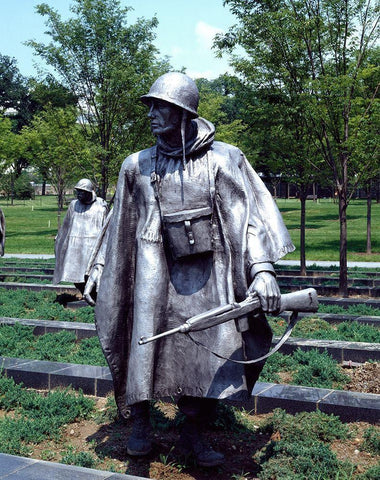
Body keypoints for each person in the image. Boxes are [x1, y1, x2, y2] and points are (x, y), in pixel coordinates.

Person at [84, 72, 294, 467]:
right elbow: (117, 222)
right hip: (151, 266)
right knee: (143, 341)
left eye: (159, 106)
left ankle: (193, 430)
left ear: (182, 112)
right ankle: (141, 422)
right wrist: (98, 267)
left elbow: (245, 217)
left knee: (214, 349)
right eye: (149, 106)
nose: (150, 114)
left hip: (210, 272)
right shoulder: (136, 165)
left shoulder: (223, 159)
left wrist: (263, 268)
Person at [53, 178, 108, 295]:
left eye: (82, 191)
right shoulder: (73, 205)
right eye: (78, 191)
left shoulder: (101, 204)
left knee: (91, 273)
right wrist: (60, 237)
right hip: (75, 244)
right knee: (74, 274)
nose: (79, 194)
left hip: (93, 244)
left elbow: (106, 227)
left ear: (89, 192)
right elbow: (66, 224)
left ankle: (93, 296)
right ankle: (85, 293)